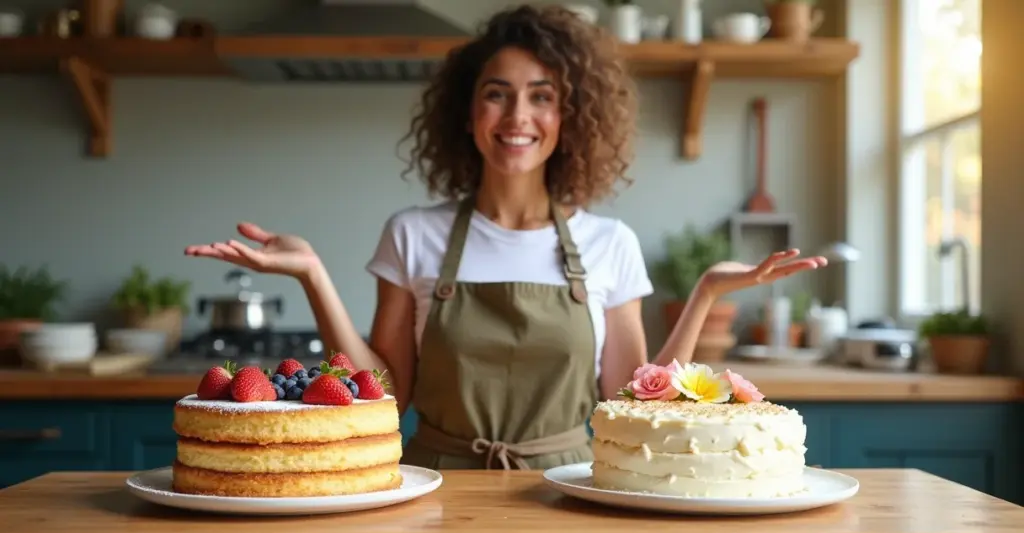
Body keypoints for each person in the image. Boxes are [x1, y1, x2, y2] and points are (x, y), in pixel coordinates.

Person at [184, 4, 826, 471]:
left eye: (541, 97)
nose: (518, 117)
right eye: (498, 95)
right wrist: (313, 276)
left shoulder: (609, 243)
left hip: (569, 488)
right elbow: (384, 392)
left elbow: (633, 400)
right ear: (469, 114)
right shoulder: (412, 235)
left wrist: (707, 293)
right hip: (433, 487)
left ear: (567, 118)